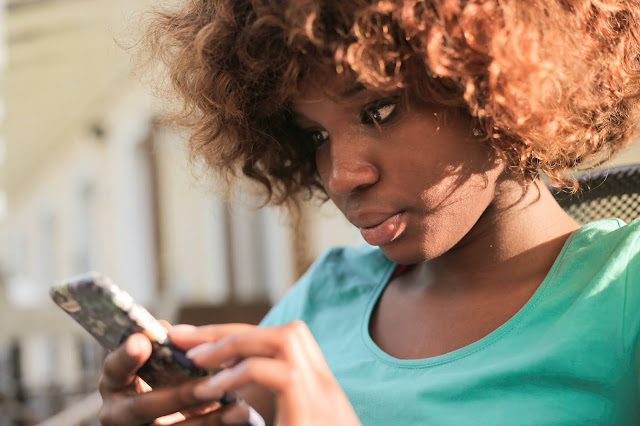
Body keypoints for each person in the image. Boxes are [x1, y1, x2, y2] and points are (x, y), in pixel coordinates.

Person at [98, 0, 640, 424]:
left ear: (499, 85)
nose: (341, 175)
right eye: (314, 136)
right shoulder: (327, 294)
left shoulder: (624, 291)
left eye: (379, 110)